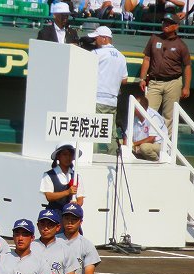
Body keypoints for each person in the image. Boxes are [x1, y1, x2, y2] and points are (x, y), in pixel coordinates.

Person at [139, 13, 191, 134]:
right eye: (164, 22)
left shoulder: (181, 45)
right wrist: (142, 78)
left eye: (168, 23)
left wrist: (187, 87)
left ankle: (166, 147)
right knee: (147, 111)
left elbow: (187, 66)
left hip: (173, 82)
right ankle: (146, 141)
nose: (165, 25)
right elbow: (147, 59)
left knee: (169, 116)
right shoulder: (154, 38)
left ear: (176, 26)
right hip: (155, 81)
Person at [90, 26, 127, 155]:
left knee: (93, 130)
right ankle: (113, 158)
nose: (95, 41)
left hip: (97, 99)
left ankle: (90, 157)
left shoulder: (96, 54)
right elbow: (124, 80)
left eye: (96, 38)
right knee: (110, 132)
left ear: (104, 38)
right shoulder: (121, 56)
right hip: (112, 100)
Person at [42, 143, 85, 212]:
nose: (68, 157)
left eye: (70, 155)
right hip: (54, 214)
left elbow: (80, 198)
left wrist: (76, 204)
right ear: (58, 156)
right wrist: (67, 192)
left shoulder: (76, 176)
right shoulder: (48, 175)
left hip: (70, 215)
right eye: (65, 154)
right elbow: (49, 196)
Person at [132, 95, 167, 161]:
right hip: (139, 144)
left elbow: (151, 139)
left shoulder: (154, 117)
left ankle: (157, 162)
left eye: (135, 106)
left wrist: (132, 144)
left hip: (158, 145)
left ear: (142, 108)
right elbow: (127, 135)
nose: (132, 108)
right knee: (120, 143)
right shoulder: (133, 116)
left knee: (144, 148)